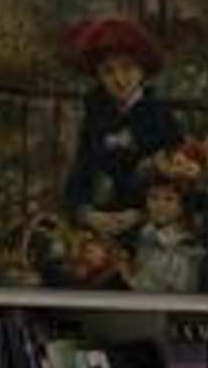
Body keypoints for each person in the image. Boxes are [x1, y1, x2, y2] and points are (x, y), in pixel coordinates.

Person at [60, 13, 184, 259]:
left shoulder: (158, 114)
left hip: (147, 225)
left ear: (142, 70)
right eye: (108, 71)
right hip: (99, 224)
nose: (119, 79)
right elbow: (81, 168)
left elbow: (179, 184)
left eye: (127, 68)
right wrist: (86, 213)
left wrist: (140, 214)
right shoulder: (96, 113)